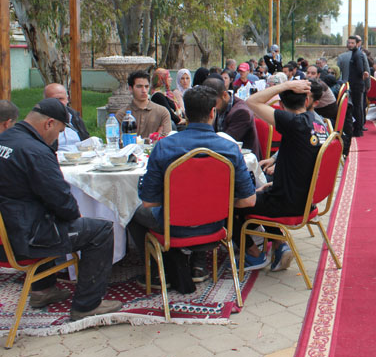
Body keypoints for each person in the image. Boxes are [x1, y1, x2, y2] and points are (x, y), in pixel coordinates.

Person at [0, 98, 121, 320]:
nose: (57, 138)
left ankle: (43, 290)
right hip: (22, 239)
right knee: (100, 230)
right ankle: (87, 305)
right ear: (49, 123)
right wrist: (75, 214)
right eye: (60, 132)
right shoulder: (36, 151)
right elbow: (62, 202)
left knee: (45, 212)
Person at [131, 85, 257, 286]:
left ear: (185, 114)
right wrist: (218, 204)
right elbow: (249, 200)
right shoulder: (230, 149)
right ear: (213, 112)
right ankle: (199, 264)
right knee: (202, 205)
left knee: (133, 214)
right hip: (215, 224)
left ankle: (157, 272)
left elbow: (149, 202)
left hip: (172, 226)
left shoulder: (164, 146)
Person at [244, 79, 331, 271]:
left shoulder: (293, 122)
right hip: (306, 199)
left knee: (237, 202)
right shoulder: (318, 124)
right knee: (263, 189)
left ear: (281, 106)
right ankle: (279, 245)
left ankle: (253, 254)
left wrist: (284, 86)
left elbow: (251, 101)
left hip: (288, 204)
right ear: (307, 100)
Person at [203, 76, 262, 159]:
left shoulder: (241, 112)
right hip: (223, 154)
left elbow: (226, 142)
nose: (210, 105)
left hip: (241, 159)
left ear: (224, 95)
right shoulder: (220, 106)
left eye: (213, 102)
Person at [115, 70, 172, 139]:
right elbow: (119, 140)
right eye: (139, 86)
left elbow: (166, 139)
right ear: (130, 89)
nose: (144, 90)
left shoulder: (162, 112)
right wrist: (153, 137)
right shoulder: (122, 114)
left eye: (146, 86)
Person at [44, 83, 90, 151]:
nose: (58, 103)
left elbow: (86, 138)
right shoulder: (41, 120)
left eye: (61, 99)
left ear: (67, 99)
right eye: (54, 99)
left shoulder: (74, 116)